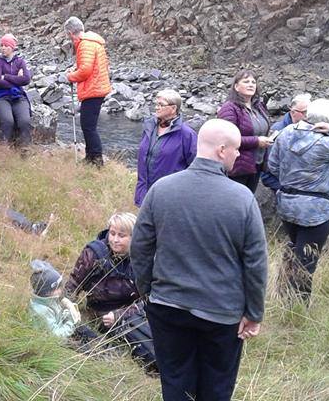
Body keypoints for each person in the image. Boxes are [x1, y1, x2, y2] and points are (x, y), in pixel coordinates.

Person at [131, 119, 268, 401]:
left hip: (167, 306)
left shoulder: (161, 189)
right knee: (216, 388)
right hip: (221, 313)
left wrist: (147, 292)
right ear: (221, 150)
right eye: (236, 150)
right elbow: (255, 262)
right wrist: (253, 313)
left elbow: (140, 247)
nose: (238, 156)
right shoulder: (242, 198)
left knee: (175, 384)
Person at [266, 98, 329, 303]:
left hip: (287, 202)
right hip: (316, 208)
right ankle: (298, 310)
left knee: (294, 250)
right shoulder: (327, 143)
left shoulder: (285, 133)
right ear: (328, 119)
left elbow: (272, 166)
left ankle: (284, 298)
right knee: (307, 261)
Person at [65, 212, 156, 368]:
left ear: (134, 237)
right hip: (100, 312)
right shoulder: (94, 253)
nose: (114, 239)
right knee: (147, 349)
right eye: (112, 233)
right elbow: (72, 285)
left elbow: (150, 298)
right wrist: (67, 309)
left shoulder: (142, 260)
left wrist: (119, 315)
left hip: (131, 312)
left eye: (122, 236)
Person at [134, 89, 197, 207]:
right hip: (145, 193)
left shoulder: (187, 134)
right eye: (156, 104)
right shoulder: (149, 127)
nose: (156, 108)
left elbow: (195, 167)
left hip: (171, 196)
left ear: (173, 109)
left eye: (161, 105)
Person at [64, 17, 111, 166]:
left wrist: (71, 76)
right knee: (89, 125)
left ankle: (96, 160)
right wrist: (76, 69)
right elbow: (88, 66)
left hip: (93, 89)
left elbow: (85, 70)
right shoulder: (93, 42)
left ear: (71, 33)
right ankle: (91, 157)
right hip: (98, 88)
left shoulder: (84, 45)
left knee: (88, 126)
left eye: (68, 35)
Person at [217, 70, 272, 192]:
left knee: (248, 200)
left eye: (253, 82)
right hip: (237, 167)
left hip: (256, 164)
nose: (251, 84)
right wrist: (256, 141)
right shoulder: (229, 108)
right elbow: (226, 139)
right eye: (246, 81)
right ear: (236, 86)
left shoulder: (259, 107)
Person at [29, 259, 100, 346]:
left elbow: (59, 316)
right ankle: (98, 353)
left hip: (64, 328)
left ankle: (101, 344)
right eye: (57, 288)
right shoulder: (41, 311)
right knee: (83, 348)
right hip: (57, 342)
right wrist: (71, 321)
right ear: (46, 291)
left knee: (86, 331)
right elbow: (56, 336)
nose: (60, 290)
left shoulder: (51, 299)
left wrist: (69, 313)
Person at [0, 34, 32, 148]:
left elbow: (26, 79)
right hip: (1, 97)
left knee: (24, 121)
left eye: (6, 45)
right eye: (1, 45)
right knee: (7, 120)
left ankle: (25, 149)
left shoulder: (20, 62)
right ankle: (3, 148)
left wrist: (6, 76)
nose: (3, 48)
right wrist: (16, 79)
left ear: (12, 47)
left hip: (18, 96)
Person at [260, 93, 311, 192]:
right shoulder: (277, 131)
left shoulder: (310, 127)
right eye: (304, 112)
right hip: (280, 182)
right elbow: (270, 167)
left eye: (309, 112)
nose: (307, 116)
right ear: (293, 112)